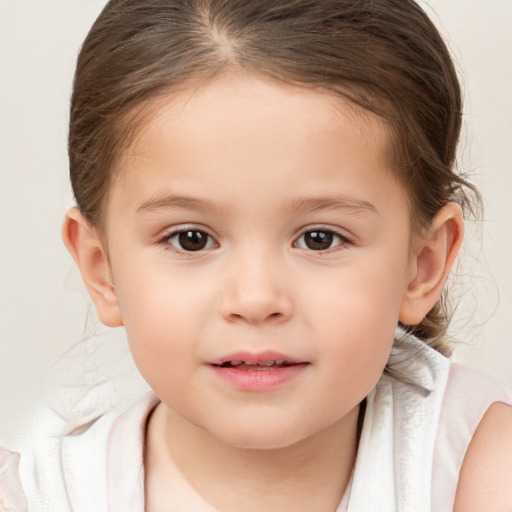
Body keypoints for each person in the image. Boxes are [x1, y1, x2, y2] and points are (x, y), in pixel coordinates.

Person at [1, 0, 511, 510]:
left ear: (421, 266)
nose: (255, 298)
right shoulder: (43, 497)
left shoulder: (480, 467)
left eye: (320, 238)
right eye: (190, 239)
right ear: (102, 269)